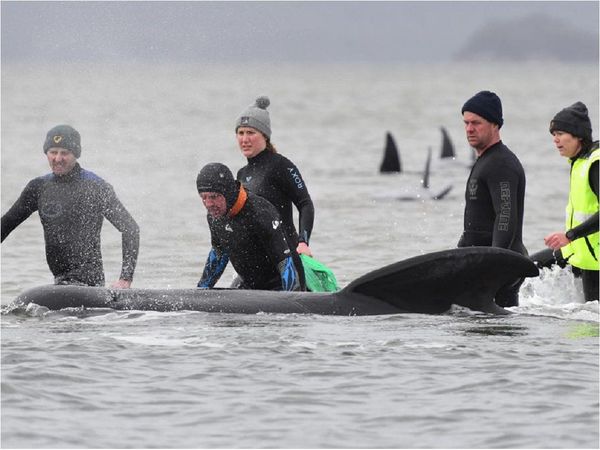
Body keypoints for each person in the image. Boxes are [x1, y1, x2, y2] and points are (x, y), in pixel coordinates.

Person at [1, 124, 140, 288]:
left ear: (76, 154)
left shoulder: (95, 186)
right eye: (53, 152)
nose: (57, 159)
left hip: (90, 287)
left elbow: (130, 228)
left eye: (64, 153)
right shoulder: (38, 187)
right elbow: (6, 224)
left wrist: (125, 279)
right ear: (46, 153)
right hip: (59, 284)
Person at [234, 96, 314, 288]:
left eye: (250, 132)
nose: (244, 139)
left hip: (285, 259)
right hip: (257, 263)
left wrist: (303, 242)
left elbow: (305, 204)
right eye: (240, 133)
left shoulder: (281, 165)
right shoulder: (241, 174)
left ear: (265, 136)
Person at [458, 91, 527, 307]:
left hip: (499, 269)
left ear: (495, 124)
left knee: (496, 335)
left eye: (476, 123)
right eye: (466, 123)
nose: (469, 129)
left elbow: (505, 216)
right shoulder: (486, 160)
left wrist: (494, 264)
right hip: (484, 264)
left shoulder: (501, 165)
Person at [196, 162, 302, 292]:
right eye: (203, 197)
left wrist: (291, 299)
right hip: (249, 286)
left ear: (228, 192)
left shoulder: (260, 212)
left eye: (213, 197)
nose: (208, 204)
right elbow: (219, 253)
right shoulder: (215, 216)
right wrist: (200, 292)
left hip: (279, 287)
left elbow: (285, 263)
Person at [544, 101, 599, 302]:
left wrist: (570, 235)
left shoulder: (595, 163)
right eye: (553, 135)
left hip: (596, 261)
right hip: (580, 252)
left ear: (578, 135)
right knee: (527, 268)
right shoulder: (578, 162)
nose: (555, 140)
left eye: (560, 134)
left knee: (590, 327)